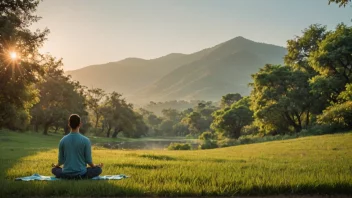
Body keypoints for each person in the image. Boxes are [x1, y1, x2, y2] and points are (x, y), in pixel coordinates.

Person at [51, 114, 103, 179]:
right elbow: (88, 160)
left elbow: (61, 161)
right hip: (81, 174)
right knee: (98, 170)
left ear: (69, 124)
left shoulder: (62, 140)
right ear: (80, 124)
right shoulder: (86, 140)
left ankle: (67, 176)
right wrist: (96, 166)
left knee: (54, 169)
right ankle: (79, 177)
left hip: (66, 173)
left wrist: (56, 165)